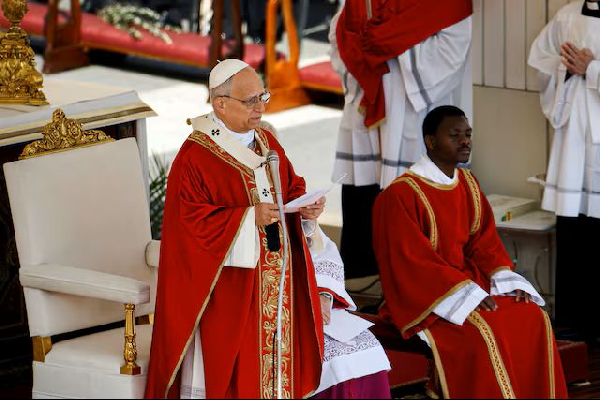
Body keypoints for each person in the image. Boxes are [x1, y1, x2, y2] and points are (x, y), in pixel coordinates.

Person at [145, 59, 328, 399]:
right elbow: (190, 226)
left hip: (276, 282)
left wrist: (305, 208)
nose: (260, 107)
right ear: (220, 103)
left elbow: (289, 186)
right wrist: (247, 219)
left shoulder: (265, 142)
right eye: (251, 101)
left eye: (263, 97)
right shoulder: (195, 157)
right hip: (230, 289)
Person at [372, 105, 568, 398]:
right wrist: (464, 294)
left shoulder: (468, 184)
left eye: (468, 134)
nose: (464, 141)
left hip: (470, 285)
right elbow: (409, 261)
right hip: (426, 297)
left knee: (533, 317)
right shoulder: (400, 195)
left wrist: (507, 281)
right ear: (430, 141)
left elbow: (483, 243)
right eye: (454, 135)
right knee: (482, 333)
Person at [328, 0, 473, 278]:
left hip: (412, 111)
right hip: (367, 105)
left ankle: (416, 287)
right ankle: (364, 285)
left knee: (413, 210)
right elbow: (340, 32)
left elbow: (451, 51)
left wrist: (387, 45)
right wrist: (368, 47)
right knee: (365, 204)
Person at [528, 0, 600, 346]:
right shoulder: (567, 15)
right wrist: (566, 70)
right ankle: (571, 320)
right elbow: (540, 60)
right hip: (574, 140)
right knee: (573, 230)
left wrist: (593, 69)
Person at [307, 226, 391, 399]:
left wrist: (324, 293)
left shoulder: (297, 218)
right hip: (270, 305)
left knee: (368, 353)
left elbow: (322, 251)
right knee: (335, 364)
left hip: (312, 299)